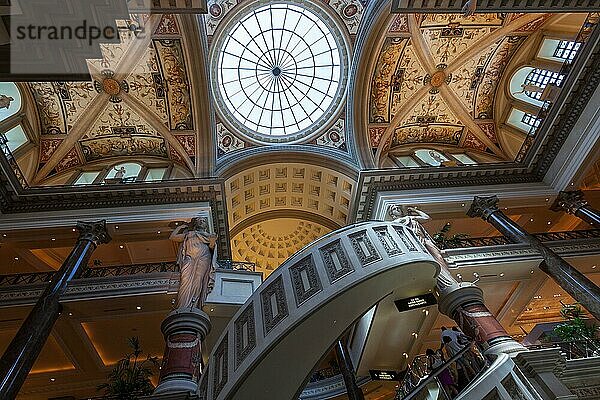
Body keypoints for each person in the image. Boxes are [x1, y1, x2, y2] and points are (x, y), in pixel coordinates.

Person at [169, 217, 218, 309]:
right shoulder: (189, 234)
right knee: (185, 280)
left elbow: (212, 248)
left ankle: (194, 305)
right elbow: (172, 237)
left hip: (203, 259)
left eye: (203, 221)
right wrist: (180, 227)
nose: (201, 222)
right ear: (196, 224)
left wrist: (212, 241)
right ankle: (182, 305)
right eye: (199, 221)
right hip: (189, 258)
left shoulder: (208, 235)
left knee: (198, 280)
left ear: (206, 226)